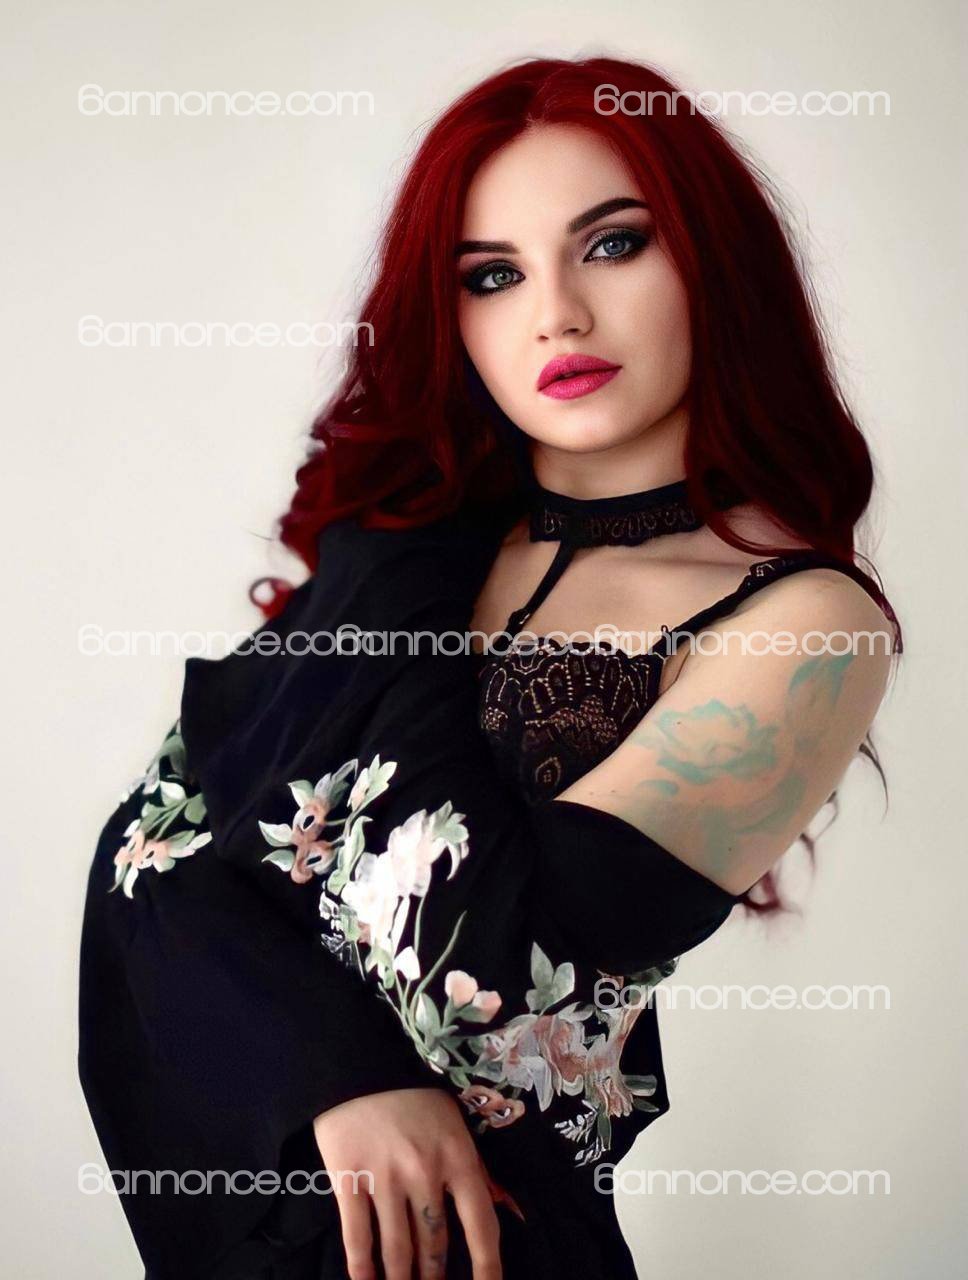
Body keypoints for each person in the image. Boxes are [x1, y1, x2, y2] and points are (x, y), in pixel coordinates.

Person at [78, 55, 902, 1280]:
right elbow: (147, 858)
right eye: (491, 275)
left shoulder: (803, 621)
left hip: (490, 1245)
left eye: (612, 245)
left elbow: (496, 974)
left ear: (711, 261)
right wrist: (343, 1076)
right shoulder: (407, 546)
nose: (554, 314)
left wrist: (393, 572)